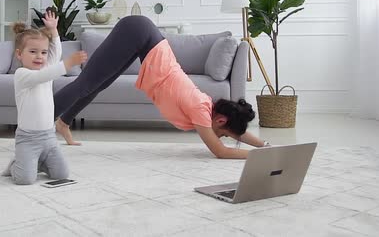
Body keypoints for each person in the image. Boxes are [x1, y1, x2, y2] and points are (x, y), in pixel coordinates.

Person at [53, 15, 270, 159]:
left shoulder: (209, 109)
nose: (221, 137)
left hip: (144, 37)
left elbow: (237, 133)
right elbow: (220, 152)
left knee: (96, 85)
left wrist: (265, 146)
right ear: (221, 120)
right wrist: (261, 157)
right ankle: (36, 122)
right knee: (85, 83)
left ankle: (63, 122)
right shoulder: (201, 112)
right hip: (138, 32)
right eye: (223, 133)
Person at [3, 10, 87, 184]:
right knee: (24, 180)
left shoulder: (45, 69)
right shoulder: (22, 74)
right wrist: (68, 64)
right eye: (33, 52)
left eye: (43, 53)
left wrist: (54, 31)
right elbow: (43, 76)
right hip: (28, 139)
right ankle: (16, 165)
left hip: (49, 137)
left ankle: (38, 163)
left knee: (61, 174)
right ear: (19, 54)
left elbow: (55, 54)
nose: (39, 57)